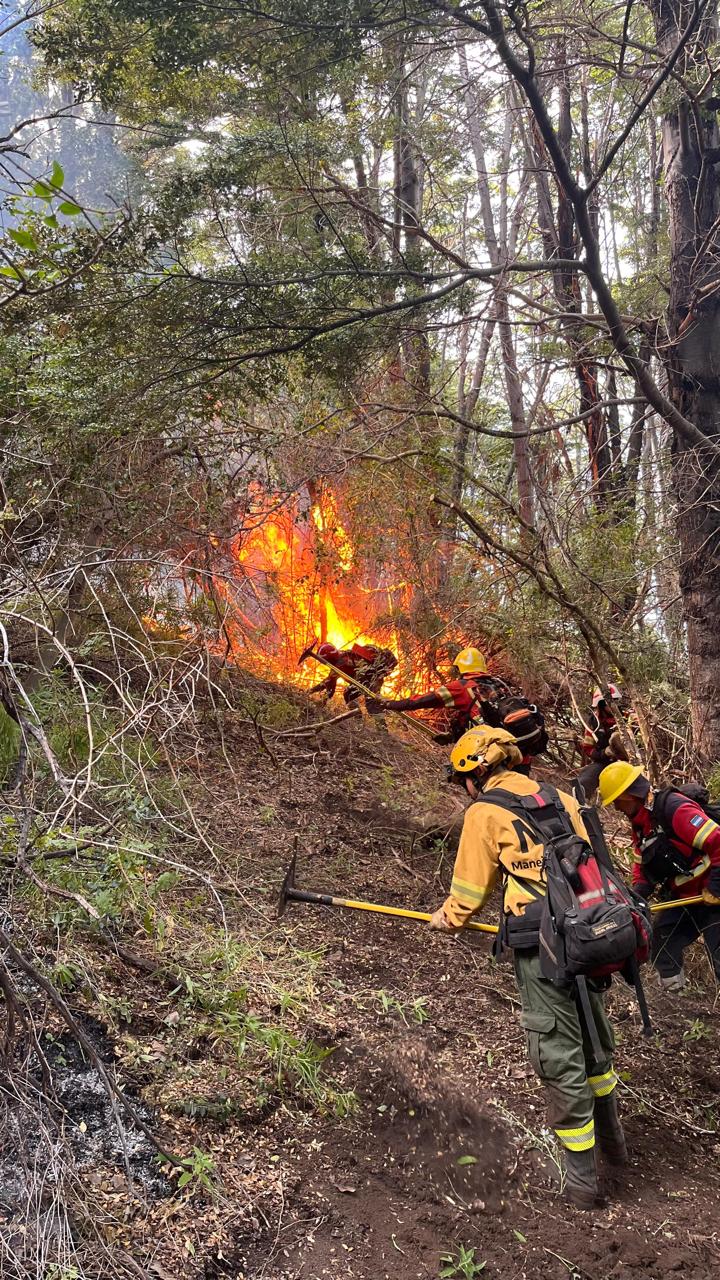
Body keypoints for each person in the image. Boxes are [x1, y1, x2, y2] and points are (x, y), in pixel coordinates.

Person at [429, 725, 625, 1209]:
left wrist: (446, 918)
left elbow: (470, 894)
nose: (465, 792)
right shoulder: (559, 796)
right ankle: (616, 1146)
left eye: (463, 783)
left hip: (543, 945)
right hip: (591, 932)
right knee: (594, 1036)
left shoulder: (485, 812)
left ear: (475, 774)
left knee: (557, 1049)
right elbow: (596, 859)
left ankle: (582, 1182)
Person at [599, 761, 720, 991]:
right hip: (687, 897)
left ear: (630, 794)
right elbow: (642, 865)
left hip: (714, 892)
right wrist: (637, 897)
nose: (615, 807)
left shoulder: (673, 808)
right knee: (662, 942)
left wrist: (716, 887)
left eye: (617, 800)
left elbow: (718, 842)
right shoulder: (641, 823)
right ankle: (676, 1005)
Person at [300, 641, 397, 712]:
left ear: (328, 659)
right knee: (352, 695)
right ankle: (358, 718)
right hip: (372, 678)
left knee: (370, 703)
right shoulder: (344, 655)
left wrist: (313, 695)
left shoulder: (339, 666)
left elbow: (330, 690)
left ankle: (380, 729)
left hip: (371, 680)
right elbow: (328, 682)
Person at [576, 685, 629, 802]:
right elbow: (588, 749)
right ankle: (579, 806)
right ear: (601, 704)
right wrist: (604, 753)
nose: (612, 705)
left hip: (628, 763)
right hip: (604, 762)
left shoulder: (627, 717)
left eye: (614, 701)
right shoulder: (594, 723)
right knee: (583, 782)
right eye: (608, 702)